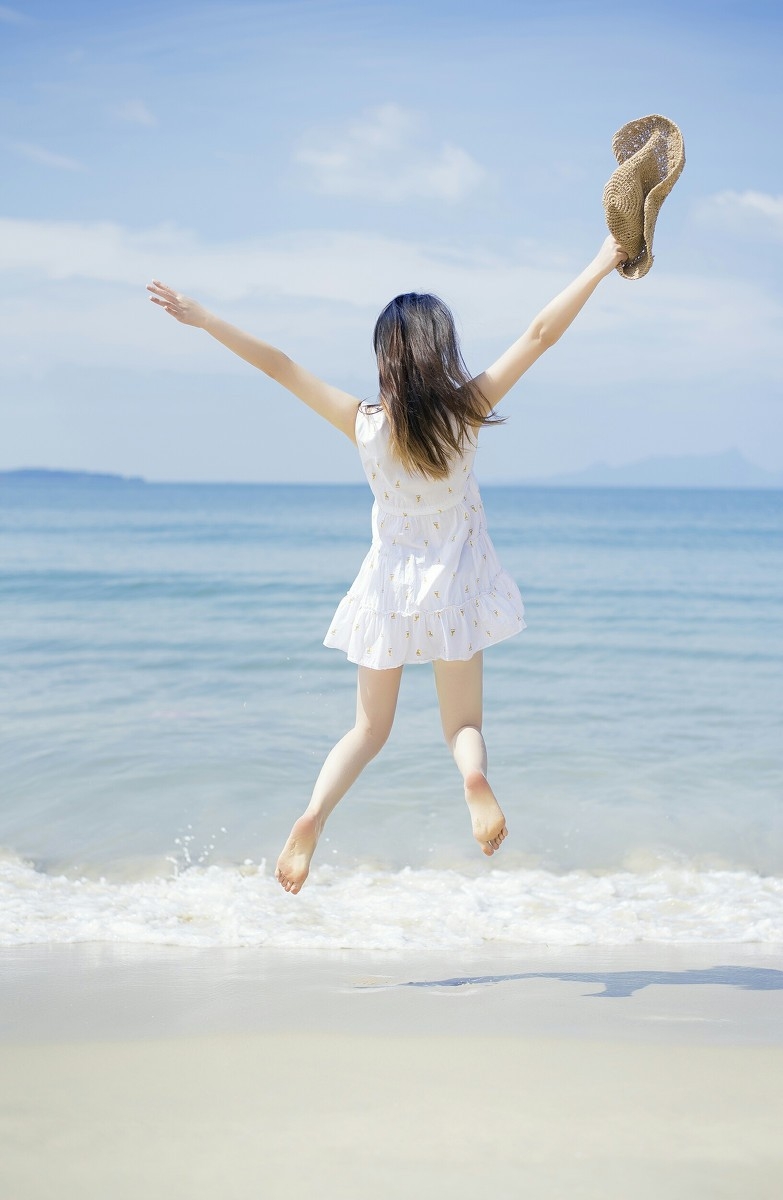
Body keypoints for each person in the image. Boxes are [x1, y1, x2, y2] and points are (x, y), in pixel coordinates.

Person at [147, 232, 627, 893]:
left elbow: (279, 366)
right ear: (442, 350)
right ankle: (473, 781)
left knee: (368, 729)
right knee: (461, 723)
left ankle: (312, 816)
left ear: (386, 359)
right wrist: (601, 262)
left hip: (386, 591)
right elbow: (540, 334)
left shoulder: (363, 422)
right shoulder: (467, 410)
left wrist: (204, 319)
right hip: (455, 585)